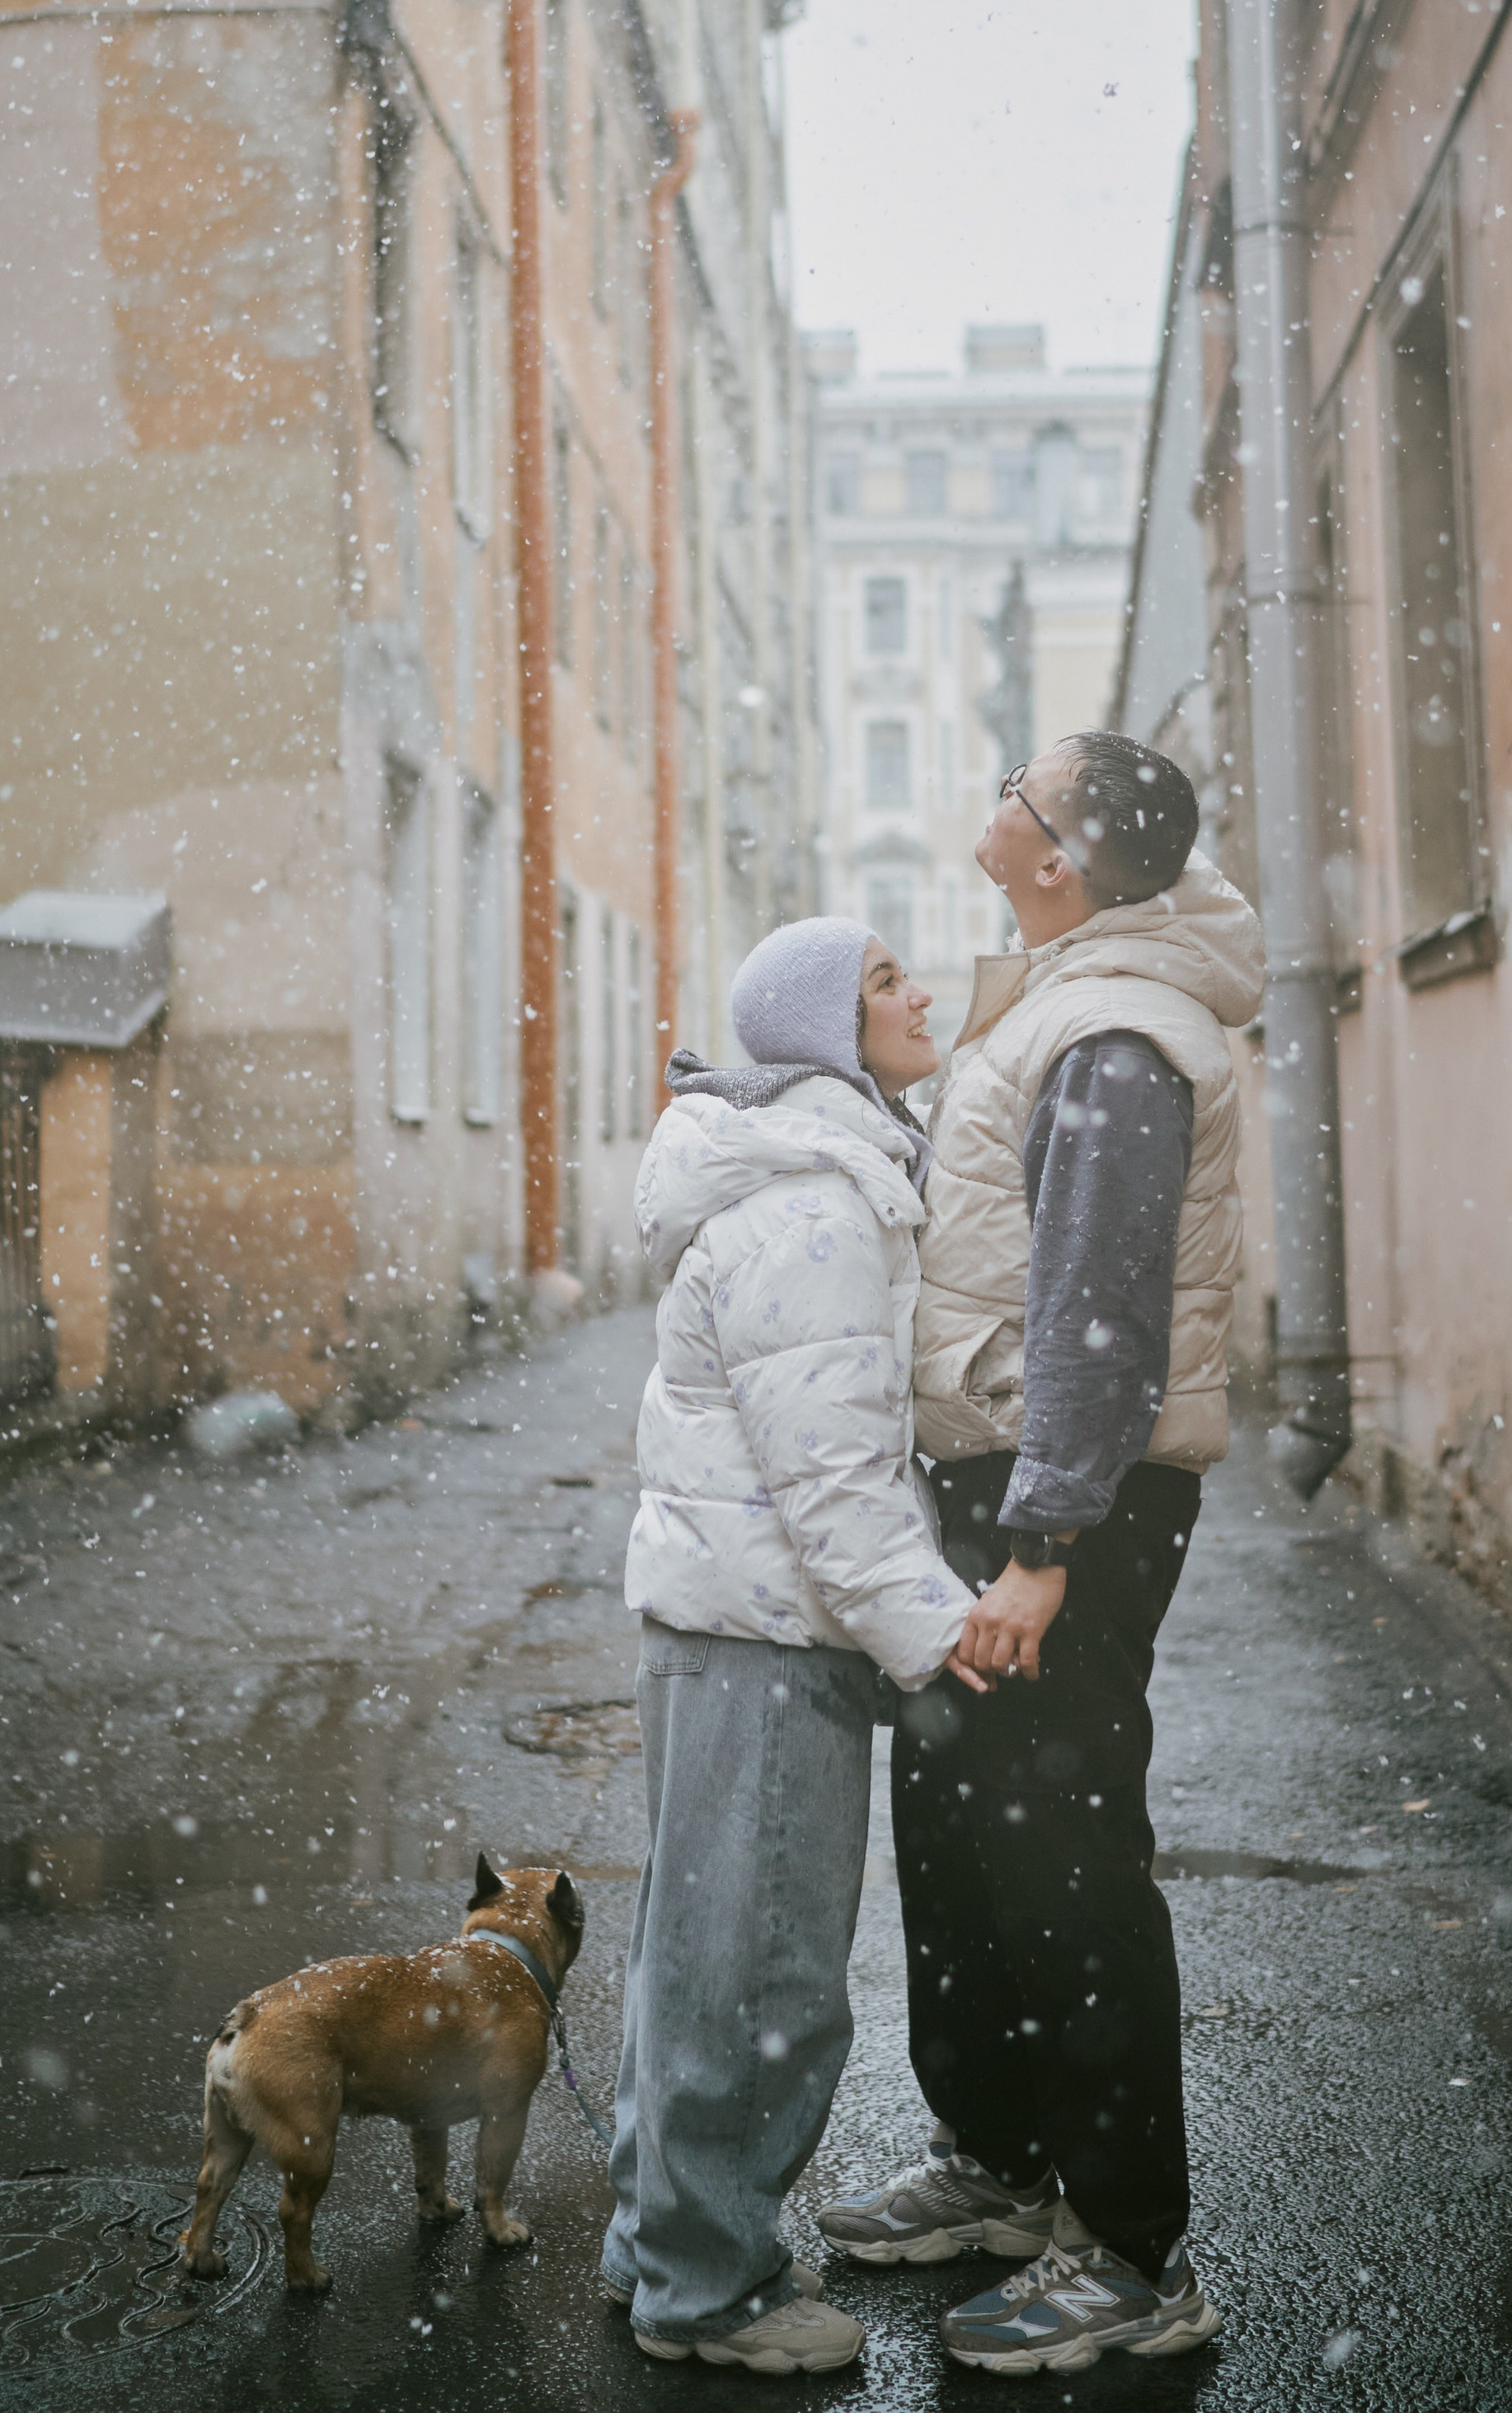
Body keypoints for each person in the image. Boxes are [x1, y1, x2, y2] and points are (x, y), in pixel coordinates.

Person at [819, 732, 1261, 2375]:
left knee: (1062, 1864)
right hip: (998, 1490)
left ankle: (1132, 2253)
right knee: (956, 1833)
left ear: (1058, 851)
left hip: (1059, 1503)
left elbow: (1099, 1312)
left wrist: (1042, 1541)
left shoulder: (1117, 1033)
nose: (992, 789)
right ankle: (1001, 2169)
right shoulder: (1074, 972)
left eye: (1022, 781)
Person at [603, 915, 985, 2375]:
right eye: (885, 978)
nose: (918, 992)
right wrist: (943, 1642)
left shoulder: (824, 1178)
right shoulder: (815, 1212)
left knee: (692, 1962)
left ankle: (659, 2244)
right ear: (828, 1027)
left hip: (734, 1626)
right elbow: (834, 1484)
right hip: (767, 1637)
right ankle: (712, 2296)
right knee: (757, 1977)